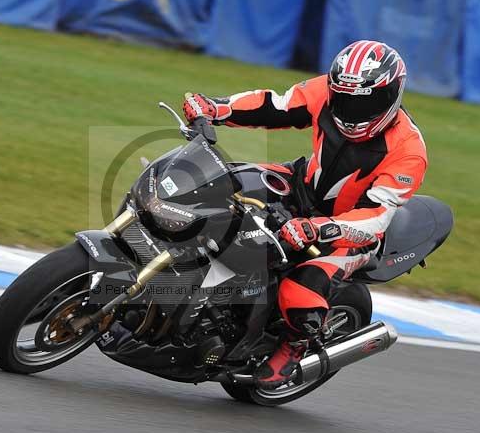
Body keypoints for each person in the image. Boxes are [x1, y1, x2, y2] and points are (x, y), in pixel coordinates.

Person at [182, 40, 427, 388]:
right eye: (344, 99)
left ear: (391, 96)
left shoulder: (408, 150)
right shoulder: (325, 91)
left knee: (299, 290)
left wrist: (317, 230)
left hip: (347, 232)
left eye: (365, 102)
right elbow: (275, 107)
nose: (351, 110)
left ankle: (296, 344)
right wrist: (217, 108)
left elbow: (375, 217)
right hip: (302, 186)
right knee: (218, 183)